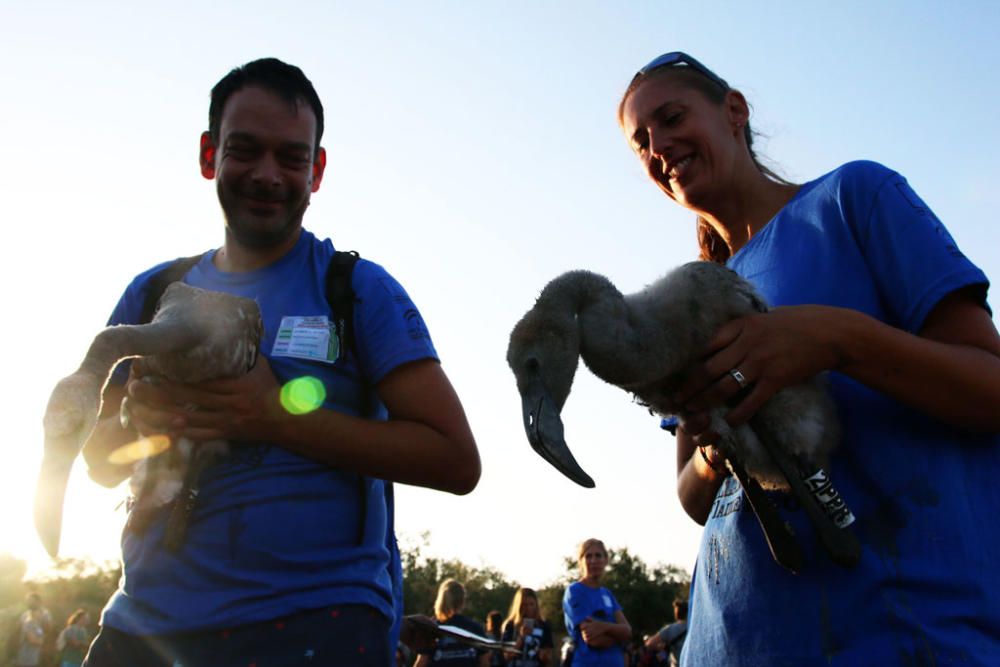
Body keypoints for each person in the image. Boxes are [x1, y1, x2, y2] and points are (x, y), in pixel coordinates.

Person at [79, 57, 481, 666]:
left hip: (317, 624)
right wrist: (143, 423)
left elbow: (455, 460)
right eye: (246, 150)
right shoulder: (151, 292)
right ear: (209, 155)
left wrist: (272, 416)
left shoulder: (358, 290)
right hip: (144, 628)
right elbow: (99, 463)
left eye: (292, 157)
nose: (268, 175)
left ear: (317, 171)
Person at [617, 51, 1000, 665]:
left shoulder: (854, 199)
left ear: (734, 111)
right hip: (729, 644)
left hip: (900, 635)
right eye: (642, 142)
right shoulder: (692, 295)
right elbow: (693, 497)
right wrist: (715, 446)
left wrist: (837, 339)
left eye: (671, 117)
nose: (659, 145)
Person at [562, 539, 631, 665]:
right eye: (588, 556)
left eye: (598, 555)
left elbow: (627, 631)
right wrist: (618, 634)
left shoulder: (607, 594)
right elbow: (594, 639)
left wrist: (603, 626)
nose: (593, 561)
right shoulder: (574, 591)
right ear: (581, 562)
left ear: (606, 560)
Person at [414, 579, 489, 667]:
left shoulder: (431, 629)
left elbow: (422, 663)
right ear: (462, 601)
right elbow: (484, 663)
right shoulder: (475, 628)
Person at [500, 587, 553, 666]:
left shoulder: (543, 626)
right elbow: (507, 656)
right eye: (524, 605)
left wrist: (542, 654)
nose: (528, 608)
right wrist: (521, 637)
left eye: (531, 604)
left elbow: (548, 656)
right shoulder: (511, 625)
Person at [642, 599, 686, 667]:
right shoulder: (694, 628)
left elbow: (649, 644)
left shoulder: (670, 629)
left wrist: (662, 647)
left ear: (676, 613)